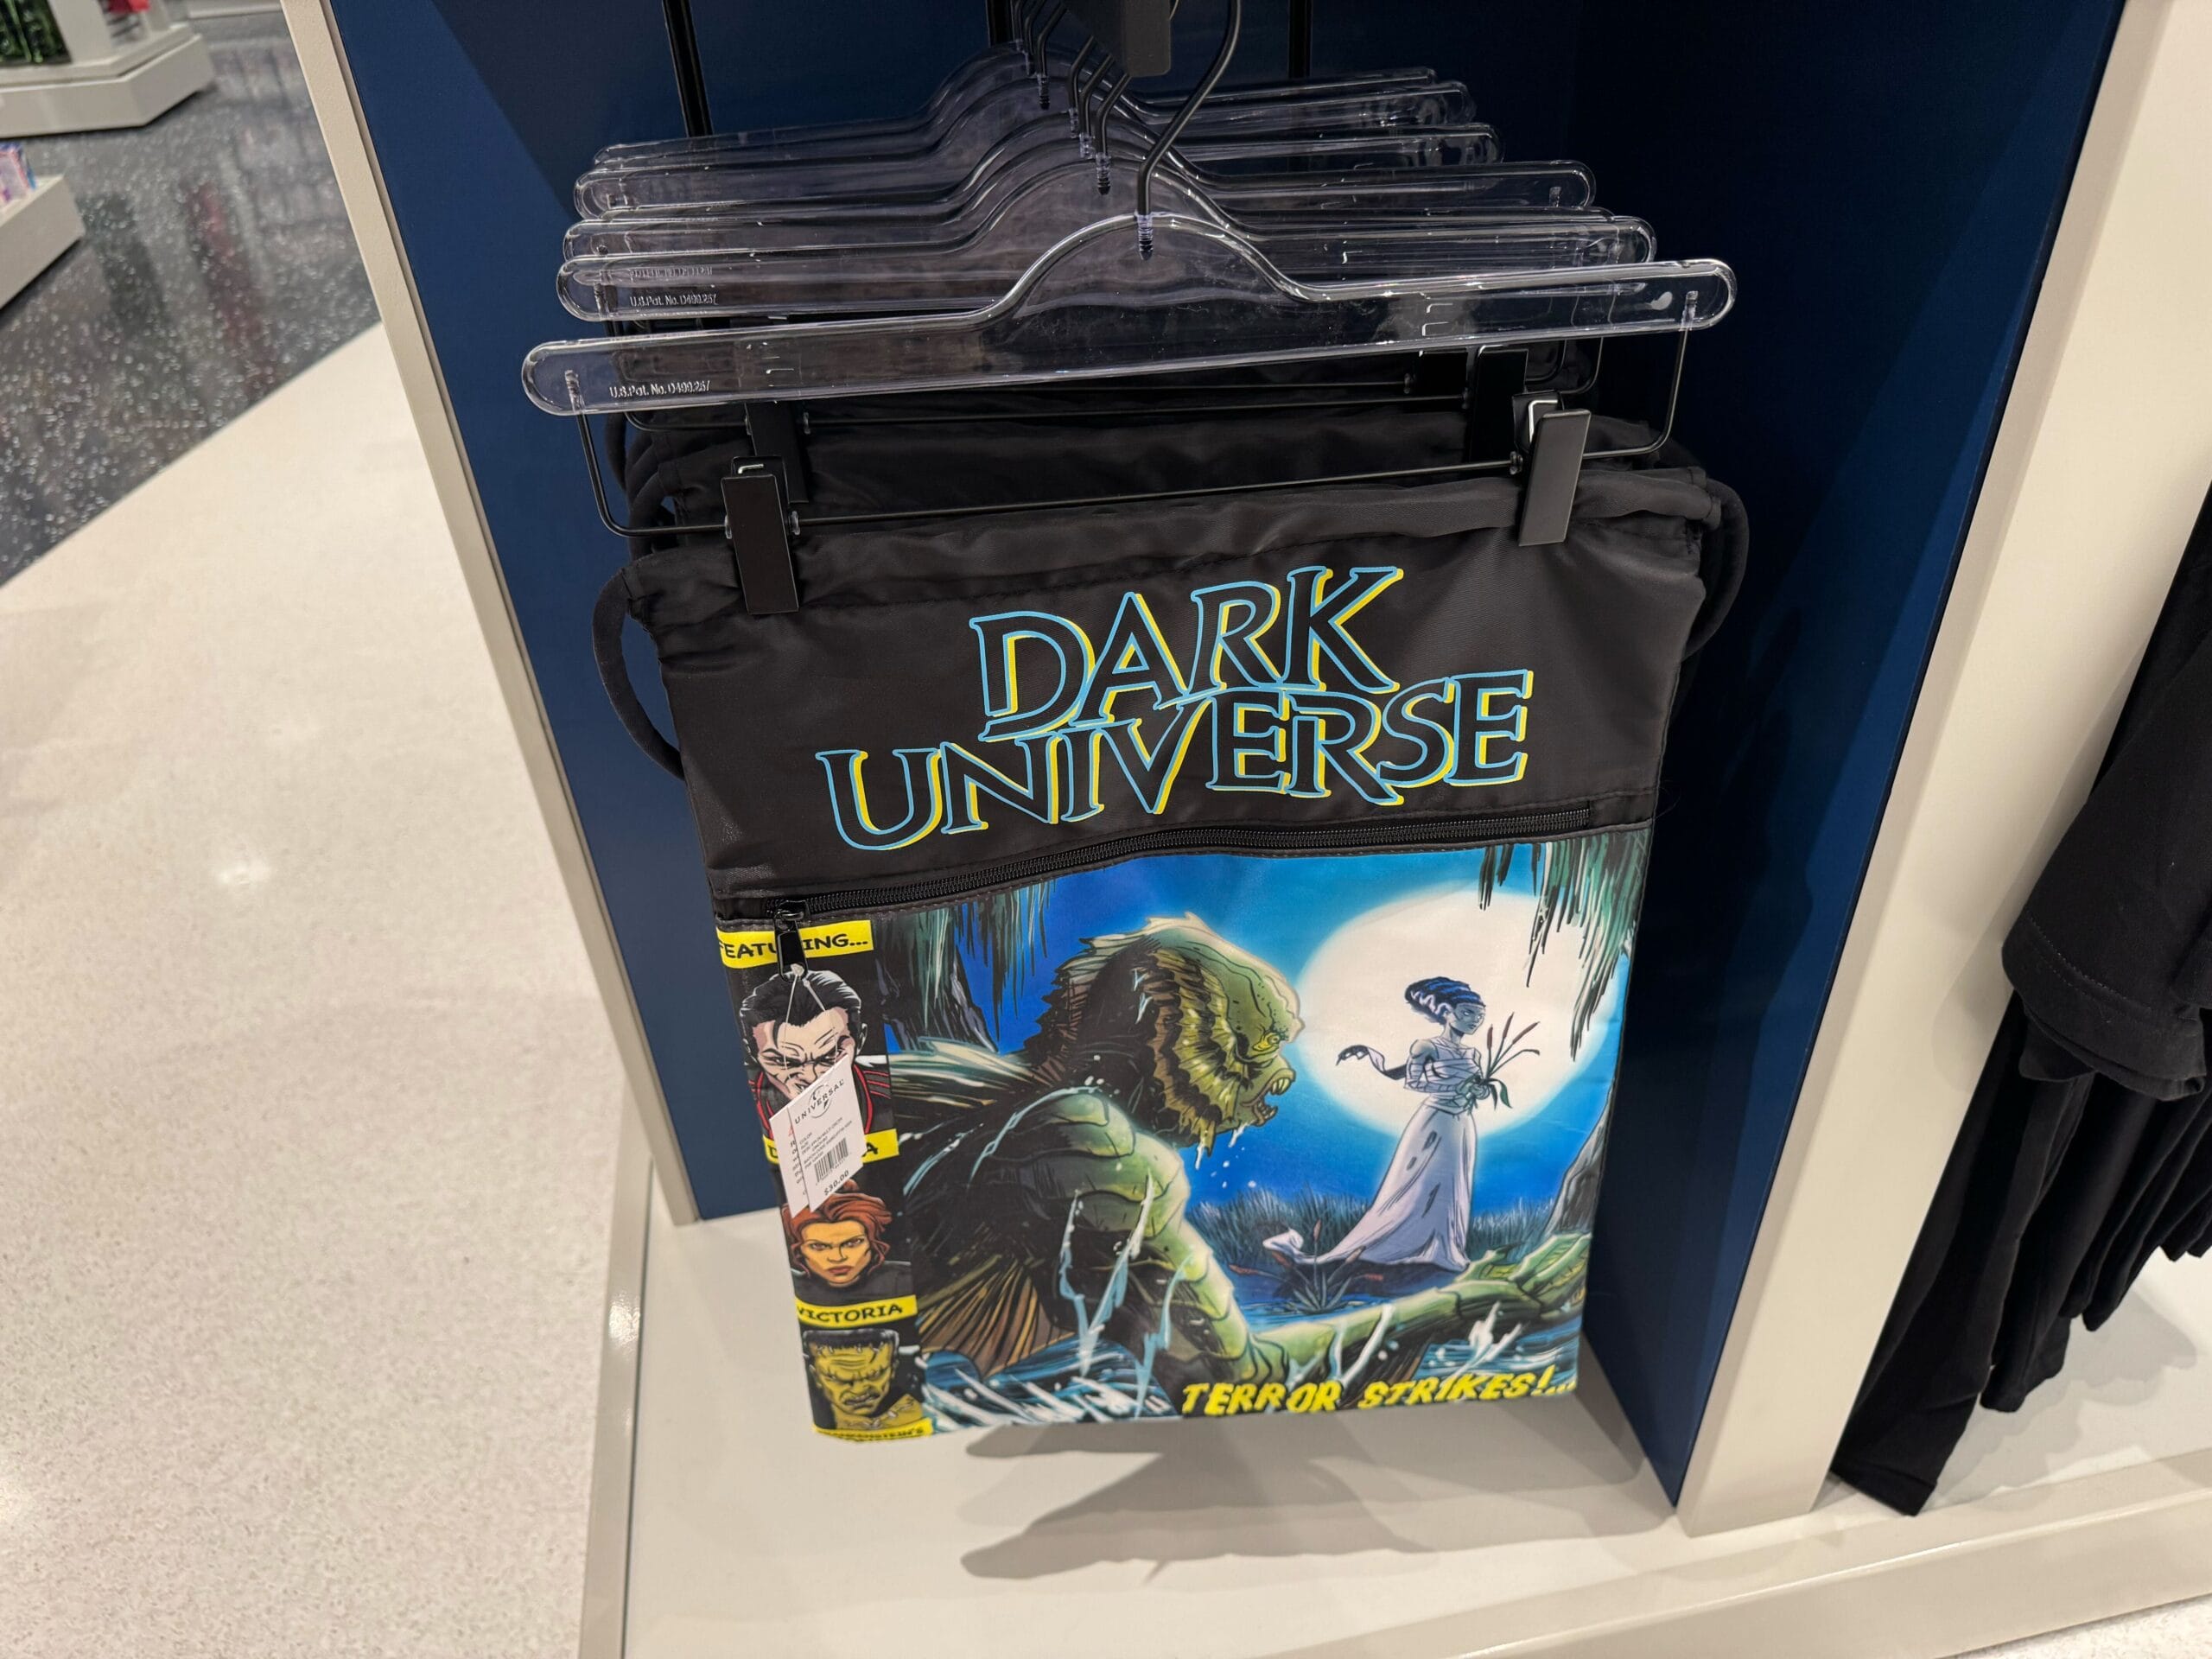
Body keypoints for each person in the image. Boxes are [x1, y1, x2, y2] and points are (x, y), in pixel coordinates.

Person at [1274, 976, 1532, 1273]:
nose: (1474, 1020)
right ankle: (1397, 1244)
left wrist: (1479, 1091)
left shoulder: (1473, 1054)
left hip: (1462, 1123)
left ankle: (1444, 1246)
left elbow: (1473, 1087)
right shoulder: (1426, 1046)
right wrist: (1453, 1089)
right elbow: (1414, 1082)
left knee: (1452, 1184)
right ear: (1446, 1012)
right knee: (1419, 1183)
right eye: (1467, 1013)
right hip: (1435, 1121)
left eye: (1479, 1016)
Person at [738, 966, 887, 1133]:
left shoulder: (892, 1093)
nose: (811, 1078)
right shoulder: (740, 1110)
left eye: (831, 1055)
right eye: (783, 1061)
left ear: (861, 1039)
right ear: (751, 1052)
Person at [785, 1188, 911, 1306]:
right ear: (799, 1250)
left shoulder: (904, 1279)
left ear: (872, 1243)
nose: (838, 1258)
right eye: (818, 1246)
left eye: (852, 1243)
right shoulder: (790, 1286)